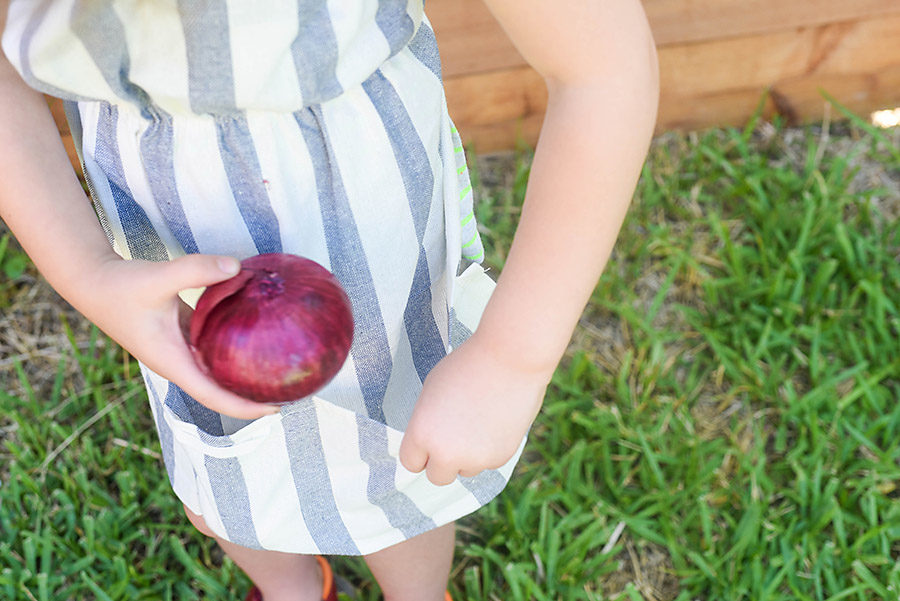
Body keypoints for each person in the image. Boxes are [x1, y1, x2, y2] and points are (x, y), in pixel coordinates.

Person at [0, 1, 658, 600]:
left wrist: (513, 356)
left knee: (392, 464)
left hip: (367, 213)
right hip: (166, 225)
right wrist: (85, 269)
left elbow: (602, 69)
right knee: (219, 464)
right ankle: (294, 590)